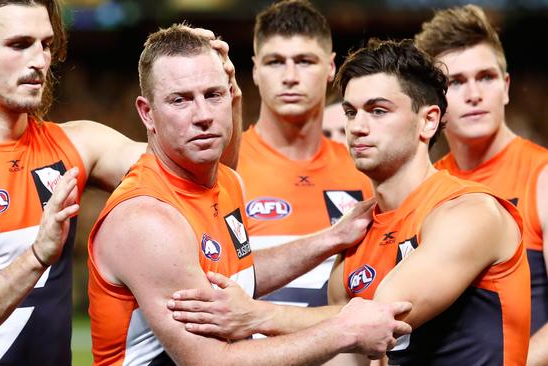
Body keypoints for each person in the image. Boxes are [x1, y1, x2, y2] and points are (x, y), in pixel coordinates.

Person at [0, 2, 239, 365]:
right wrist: (35, 258)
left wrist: (226, 93)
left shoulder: (77, 145)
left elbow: (205, 180)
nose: (39, 61)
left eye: (45, 45)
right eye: (19, 44)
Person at [87, 25, 412, 366]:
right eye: (180, 100)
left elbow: (237, 274)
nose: (202, 116)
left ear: (232, 96)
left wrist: (331, 238)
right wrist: (344, 332)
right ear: (147, 113)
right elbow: (213, 361)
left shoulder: (225, 182)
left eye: (213, 95)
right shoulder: (147, 220)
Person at [324, 38, 530, 365]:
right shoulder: (353, 240)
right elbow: (345, 355)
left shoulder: (470, 210)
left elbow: (381, 316)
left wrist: (258, 316)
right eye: (351, 112)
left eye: (378, 111)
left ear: (428, 121)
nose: (357, 128)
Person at [414, 5, 548, 364]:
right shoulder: (423, 186)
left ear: (505, 87)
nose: (474, 94)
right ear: (433, 103)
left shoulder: (543, 177)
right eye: (456, 82)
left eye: (486, 77)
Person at [235, 0, 372, 309]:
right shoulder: (224, 170)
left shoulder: (366, 170)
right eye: (275, 62)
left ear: (331, 67)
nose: (290, 76)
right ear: (256, 70)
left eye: (305, 61)